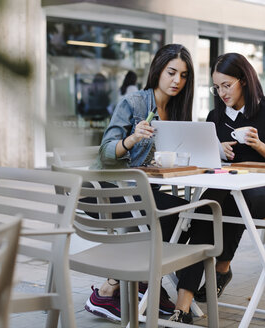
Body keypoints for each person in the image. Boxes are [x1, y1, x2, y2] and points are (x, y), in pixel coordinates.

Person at [168, 52, 265, 324]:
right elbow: (206, 159)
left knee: (214, 204)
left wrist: (260, 146)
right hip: (227, 192)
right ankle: (184, 303)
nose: (221, 92)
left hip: (264, 192)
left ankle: (218, 267)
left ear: (244, 81)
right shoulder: (215, 115)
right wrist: (217, 150)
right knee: (214, 205)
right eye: (217, 87)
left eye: (226, 85)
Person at [85, 43, 195, 322]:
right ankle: (123, 285)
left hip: (140, 193)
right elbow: (105, 153)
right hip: (106, 191)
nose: (176, 81)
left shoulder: (177, 112)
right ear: (158, 70)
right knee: (161, 218)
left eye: (183, 76)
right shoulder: (134, 103)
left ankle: (130, 286)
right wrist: (132, 139)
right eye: (171, 72)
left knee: (189, 214)